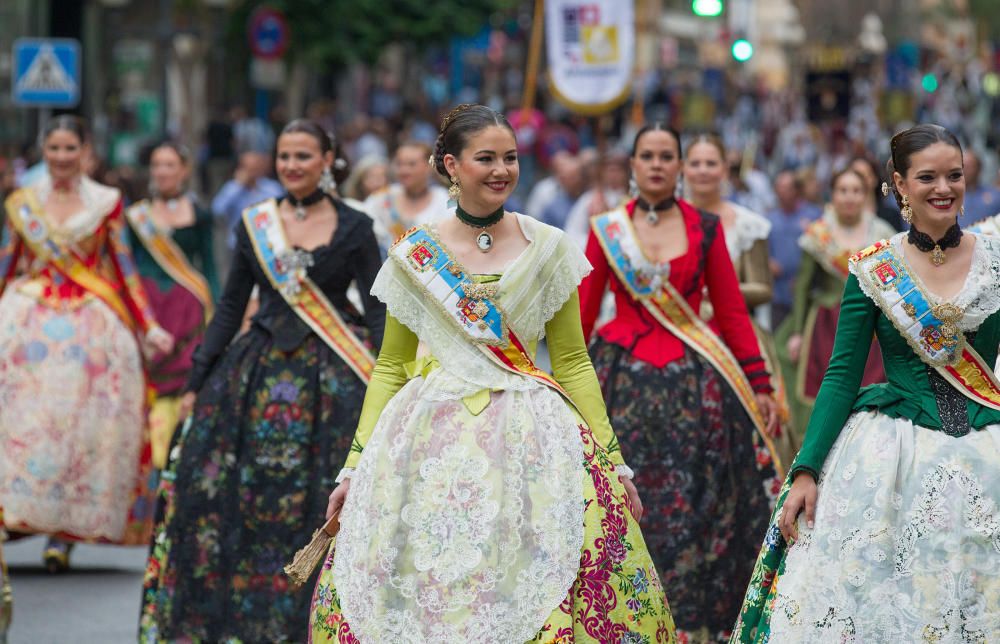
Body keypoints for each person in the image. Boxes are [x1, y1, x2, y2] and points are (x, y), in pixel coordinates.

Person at [309, 104, 675, 643]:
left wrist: (614, 461)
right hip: (426, 439)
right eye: (486, 158)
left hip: (531, 437)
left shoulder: (550, 247)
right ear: (452, 165)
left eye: (510, 157)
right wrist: (354, 467)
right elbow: (390, 365)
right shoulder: (415, 256)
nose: (502, 170)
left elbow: (572, 360)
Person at [732, 124, 1000, 641]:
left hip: (985, 441)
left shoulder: (996, 261)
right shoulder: (874, 270)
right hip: (892, 454)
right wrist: (807, 469)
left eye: (954, 175)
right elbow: (841, 375)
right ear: (899, 184)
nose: (944, 188)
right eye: (927, 177)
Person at [140, 119, 385, 643]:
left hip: (335, 377)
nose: (292, 166)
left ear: (327, 159)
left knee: (326, 498)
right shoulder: (256, 224)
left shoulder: (357, 227)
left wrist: (395, 381)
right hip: (254, 373)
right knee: (233, 500)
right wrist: (196, 380)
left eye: (303, 156)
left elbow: (378, 309)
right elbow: (230, 307)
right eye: (284, 157)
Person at [579, 123, 783, 642]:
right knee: (622, 499)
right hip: (618, 382)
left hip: (696, 386)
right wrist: (560, 386)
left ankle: (690, 621)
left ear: (678, 166)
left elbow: (733, 313)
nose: (656, 164)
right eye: (646, 155)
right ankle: (619, 611)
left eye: (666, 156)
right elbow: (581, 313)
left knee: (701, 502)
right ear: (632, 164)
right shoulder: (606, 228)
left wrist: (759, 384)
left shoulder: (706, 227)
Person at [0, 116, 173, 571]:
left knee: (79, 426)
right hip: (26, 317)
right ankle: (15, 512)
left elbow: (123, 266)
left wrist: (148, 324)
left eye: (69, 149)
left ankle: (64, 533)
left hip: (91, 323)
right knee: (20, 418)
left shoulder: (106, 203)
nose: (60, 158)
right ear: (44, 151)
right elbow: (8, 262)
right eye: (53, 149)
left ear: (85, 151)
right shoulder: (22, 203)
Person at [685, 133, 798, 468]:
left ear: (725, 170)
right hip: (682, 330)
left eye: (711, 163)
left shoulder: (748, 225)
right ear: (683, 170)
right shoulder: (666, 222)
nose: (703, 171)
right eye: (696, 163)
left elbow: (762, 286)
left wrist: (715, 291)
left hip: (737, 334)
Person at [775, 168, 895, 439]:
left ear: (865, 195)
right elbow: (803, 287)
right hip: (826, 324)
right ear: (833, 195)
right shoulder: (819, 234)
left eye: (856, 191)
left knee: (868, 391)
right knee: (823, 389)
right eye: (843, 190)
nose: (849, 197)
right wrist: (795, 332)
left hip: (871, 327)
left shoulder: (881, 232)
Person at [126, 142, 220, 470]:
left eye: (169, 165)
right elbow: (129, 267)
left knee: (185, 383)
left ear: (184, 170)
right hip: (150, 308)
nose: (162, 171)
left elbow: (208, 265)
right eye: (157, 165)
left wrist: (219, 312)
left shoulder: (199, 213)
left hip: (187, 310)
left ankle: (175, 458)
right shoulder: (136, 215)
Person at [363, 141, 449, 250]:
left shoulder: (443, 200)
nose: (404, 170)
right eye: (399, 164)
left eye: (411, 164)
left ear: (429, 166)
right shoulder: (381, 198)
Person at [766, 170, 823, 327]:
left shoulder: (813, 215)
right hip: (779, 294)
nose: (783, 192)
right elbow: (762, 251)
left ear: (797, 190)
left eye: (787, 188)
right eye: (779, 187)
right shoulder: (770, 219)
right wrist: (768, 262)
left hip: (807, 292)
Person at [211, 150, 283, 248]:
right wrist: (238, 185)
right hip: (238, 243)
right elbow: (217, 211)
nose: (251, 174)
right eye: (248, 169)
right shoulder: (232, 188)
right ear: (240, 169)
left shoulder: (272, 188)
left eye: (255, 169)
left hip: (267, 244)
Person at [851, 155, 906, 231]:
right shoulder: (840, 216)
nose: (859, 181)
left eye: (863, 176)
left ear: (875, 179)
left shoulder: (891, 215)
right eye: (855, 176)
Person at [962, 149, 1000, 221]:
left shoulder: (995, 196)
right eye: (962, 166)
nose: (964, 170)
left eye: (969, 166)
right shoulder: (951, 197)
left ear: (979, 168)